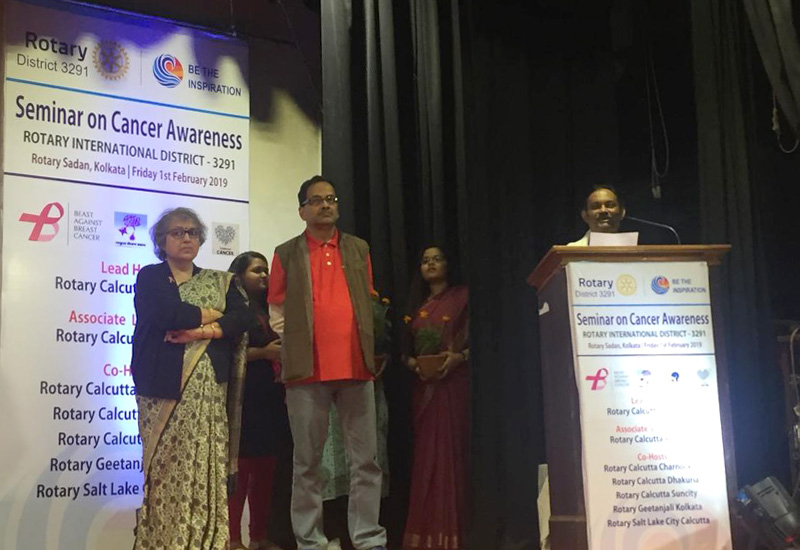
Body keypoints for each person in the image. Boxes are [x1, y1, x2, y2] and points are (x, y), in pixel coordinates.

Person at [267, 176, 388, 550]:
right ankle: (310, 541)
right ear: (302, 210)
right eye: (316, 200)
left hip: (356, 368)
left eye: (331, 199)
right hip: (307, 372)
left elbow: (368, 300)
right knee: (307, 463)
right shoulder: (286, 253)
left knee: (366, 461)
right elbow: (277, 311)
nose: (325, 205)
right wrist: (298, 347)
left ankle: (368, 537)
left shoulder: (358, 248)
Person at [131, 207, 251, 550]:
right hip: (162, 388)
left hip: (209, 390)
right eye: (177, 232)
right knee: (165, 471)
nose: (186, 238)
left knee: (204, 469)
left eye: (192, 233)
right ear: (161, 240)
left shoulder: (220, 281)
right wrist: (214, 313)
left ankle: (203, 541)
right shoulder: (151, 277)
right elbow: (167, 314)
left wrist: (203, 331)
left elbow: (244, 318)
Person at [402, 245, 470, 550]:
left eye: (437, 259)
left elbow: (480, 340)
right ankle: (425, 533)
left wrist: (459, 358)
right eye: (425, 260)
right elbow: (404, 352)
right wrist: (414, 364)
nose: (430, 264)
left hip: (454, 385)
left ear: (448, 264)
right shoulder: (416, 306)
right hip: (425, 390)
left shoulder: (462, 297)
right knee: (426, 459)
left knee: (451, 456)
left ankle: (453, 534)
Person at [228, 252, 293, 550]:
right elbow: (226, 355)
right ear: (239, 276)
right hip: (244, 397)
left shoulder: (272, 309)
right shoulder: (231, 309)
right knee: (241, 471)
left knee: (266, 469)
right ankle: (233, 540)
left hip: (271, 396)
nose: (264, 275)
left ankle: (259, 537)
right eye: (256, 270)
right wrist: (264, 353)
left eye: (266, 270)